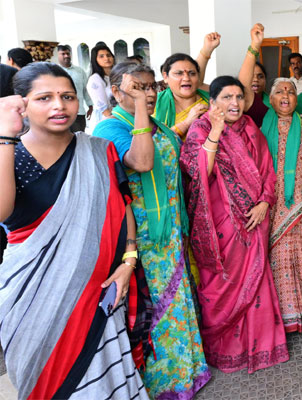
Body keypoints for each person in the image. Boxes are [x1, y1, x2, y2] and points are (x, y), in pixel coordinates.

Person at [0, 62, 148, 399]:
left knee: (105, 382)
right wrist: (5, 135)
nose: (59, 105)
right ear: (22, 102)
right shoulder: (9, 152)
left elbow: (122, 205)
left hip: (98, 293)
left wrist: (128, 262)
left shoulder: (97, 149)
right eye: (44, 98)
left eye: (67, 96)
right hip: (30, 296)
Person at [93, 62, 211, 398]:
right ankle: (162, 384)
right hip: (142, 236)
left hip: (171, 228)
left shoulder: (157, 124)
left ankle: (188, 372)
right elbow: (142, 162)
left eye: (150, 87)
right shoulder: (110, 128)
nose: (147, 93)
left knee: (177, 301)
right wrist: (142, 110)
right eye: (137, 87)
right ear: (116, 92)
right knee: (154, 306)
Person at [180, 75, 289, 373]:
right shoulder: (200, 128)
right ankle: (228, 349)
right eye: (227, 97)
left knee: (256, 280)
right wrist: (216, 131)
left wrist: (265, 202)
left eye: (239, 97)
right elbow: (199, 172)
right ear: (213, 102)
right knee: (224, 281)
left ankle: (262, 345)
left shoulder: (250, 127)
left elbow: (267, 170)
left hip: (255, 219)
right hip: (221, 223)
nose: (235, 103)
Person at [261, 77, 302, 332]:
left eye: (291, 91)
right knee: (274, 256)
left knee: (298, 254)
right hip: (270, 204)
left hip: (298, 203)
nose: (285, 95)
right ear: (271, 100)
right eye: (280, 92)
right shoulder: (262, 127)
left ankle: (298, 312)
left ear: (297, 99)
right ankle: (279, 314)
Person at [155, 32, 221, 141]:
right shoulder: (154, 103)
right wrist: (187, 123)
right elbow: (154, 143)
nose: (186, 78)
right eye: (179, 73)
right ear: (165, 77)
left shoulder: (212, 103)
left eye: (192, 73)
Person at [238, 24, 270, 127]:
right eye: (252, 76)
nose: (255, 79)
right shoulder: (243, 101)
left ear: (265, 80)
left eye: (260, 76)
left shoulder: (272, 102)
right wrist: (255, 45)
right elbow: (243, 84)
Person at [57, 44, 93, 132]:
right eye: (63, 54)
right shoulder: (55, 72)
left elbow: (85, 89)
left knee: (80, 135)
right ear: (57, 56)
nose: (66, 56)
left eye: (68, 53)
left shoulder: (79, 71)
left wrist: (90, 105)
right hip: (62, 113)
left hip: (79, 112)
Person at [86, 43, 114, 133]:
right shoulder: (95, 79)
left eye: (108, 55)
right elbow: (104, 109)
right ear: (95, 60)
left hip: (118, 117)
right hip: (105, 121)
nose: (106, 58)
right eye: (101, 56)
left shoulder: (115, 76)